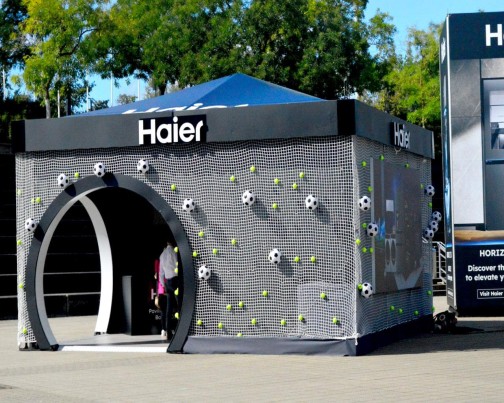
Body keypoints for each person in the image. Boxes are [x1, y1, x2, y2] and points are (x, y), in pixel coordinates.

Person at [159, 242, 178, 341]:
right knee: (180, 305)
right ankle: (180, 330)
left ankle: (168, 332)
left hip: (167, 282)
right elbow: (177, 265)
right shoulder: (173, 252)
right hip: (175, 280)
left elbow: (161, 273)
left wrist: (163, 284)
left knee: (169, 308)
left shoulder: (162, 255)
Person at [153, 259, 167, 337]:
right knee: (166, 310)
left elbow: (156, 276)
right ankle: (165, 329)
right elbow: (156, 276)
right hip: (165, 289)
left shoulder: (157, 261)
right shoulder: (158, 261)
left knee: (164, 311)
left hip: (162, 289)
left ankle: (164, 329)